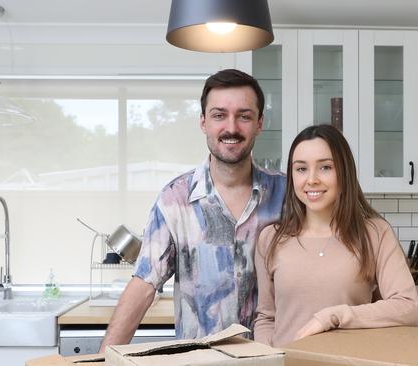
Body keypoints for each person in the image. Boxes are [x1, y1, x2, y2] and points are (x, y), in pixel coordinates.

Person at [99, 69, 286, 350]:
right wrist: (104, 360)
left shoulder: (288, 194)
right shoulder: (174, 199)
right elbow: (144, 285)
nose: (231, 128)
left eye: (244, 116)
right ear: (203, 122)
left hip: (275, 360)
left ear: (260, 123)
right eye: (219, 115)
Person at [254, 124, 418, 347]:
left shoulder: (375, 234)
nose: (311, 179)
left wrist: (332, 318)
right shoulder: (271, 238)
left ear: (344, 171)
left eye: (325, 167)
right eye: (301, 169)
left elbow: (408, 308)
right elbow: (267, 318)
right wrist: (267, 358)